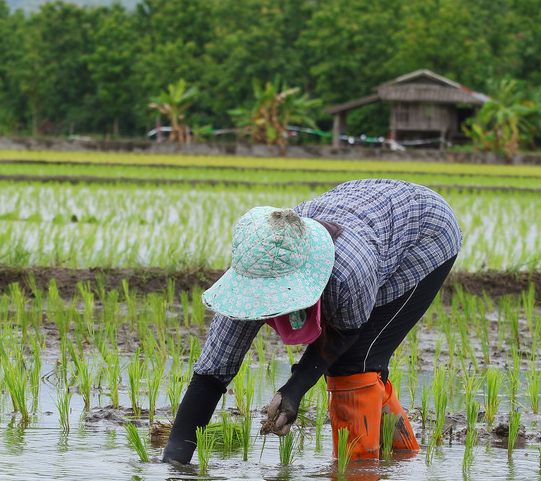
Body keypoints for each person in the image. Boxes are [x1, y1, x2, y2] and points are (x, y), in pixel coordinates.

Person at [162, 178, 462, 465]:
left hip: (425, 230)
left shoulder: (347, 274)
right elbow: (212, 372)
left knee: (357, 364)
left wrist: (296, 386)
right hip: (366, 206)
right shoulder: (258, 262)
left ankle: (357, 479)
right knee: (358, 363)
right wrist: (175, 461)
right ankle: (400, 459)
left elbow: (346, 331)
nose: (266, 302)